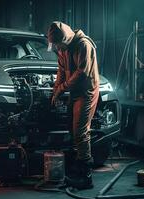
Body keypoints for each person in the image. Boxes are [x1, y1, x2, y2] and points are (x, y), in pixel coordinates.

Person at [47, 21, 100, 189]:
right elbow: (61, 71)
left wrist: (62, 88)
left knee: (80, 131)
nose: (57, 47)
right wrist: (56, 89)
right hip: (74, 92)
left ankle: (86, 177)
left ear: (66, 38)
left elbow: (82, 73)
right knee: (72, 128)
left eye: (58, 43)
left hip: (86, 92)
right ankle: (77, 168)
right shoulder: (63, 47)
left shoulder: (83, 45)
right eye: (55, 44)